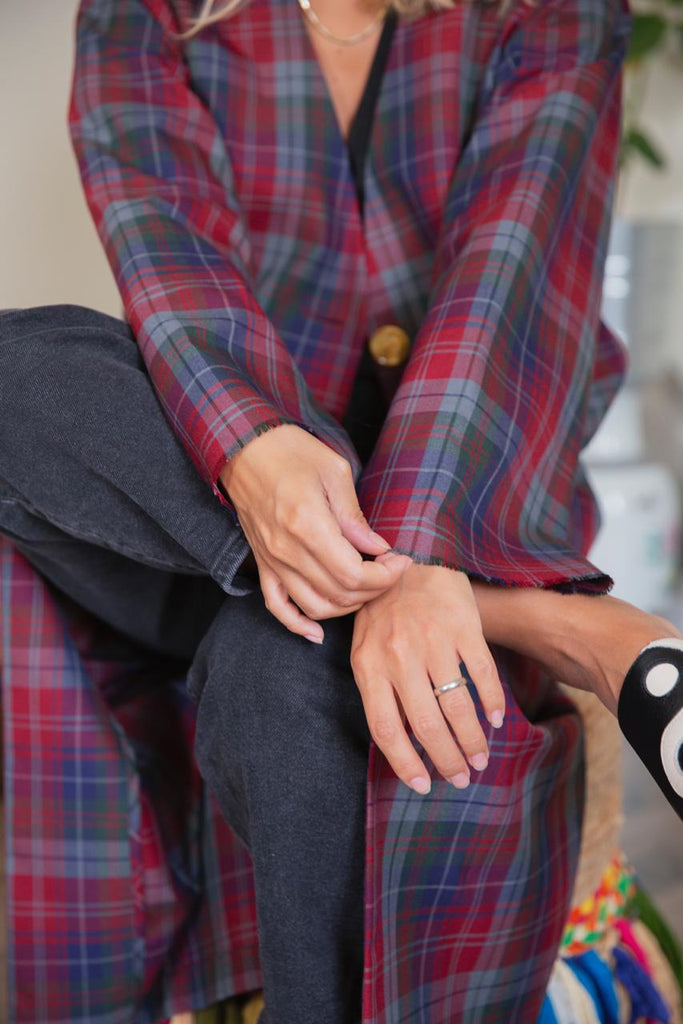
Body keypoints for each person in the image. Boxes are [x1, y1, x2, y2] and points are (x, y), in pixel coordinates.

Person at [0, 0, 681, 1021]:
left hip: (475, 490)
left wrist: (420, 535)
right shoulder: (144, 15)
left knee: (280, 678)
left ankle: (451, 596)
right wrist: (252, 446)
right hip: (209, 488)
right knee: (24, 369)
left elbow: (507, 278)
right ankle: (561, 623)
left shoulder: (551, 11)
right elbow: (169, 255)